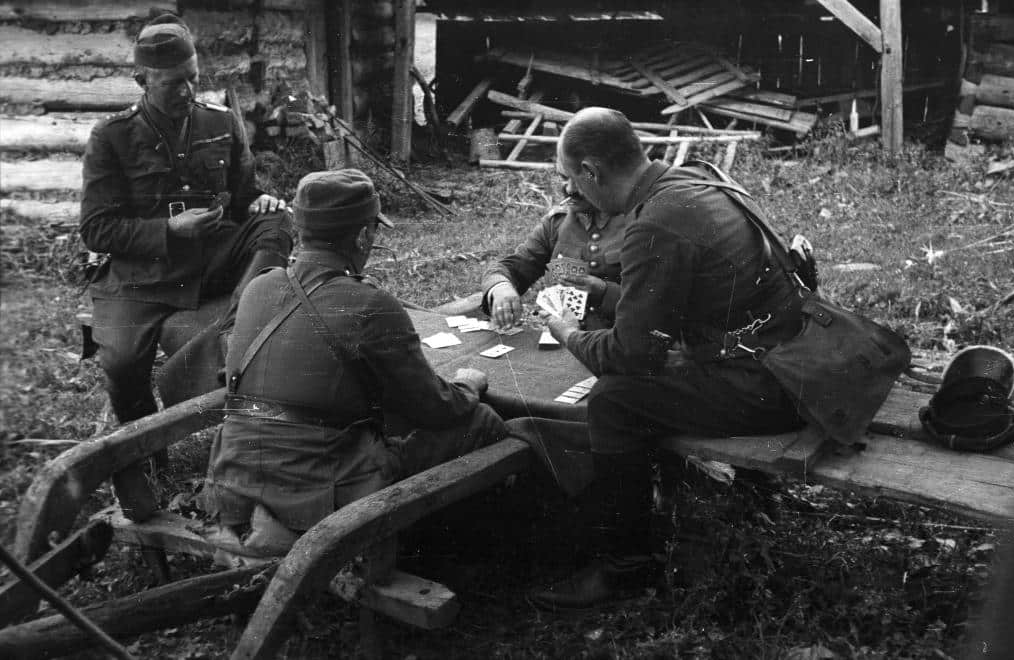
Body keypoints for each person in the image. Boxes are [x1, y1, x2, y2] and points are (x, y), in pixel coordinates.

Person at [533, 107, 805, 610]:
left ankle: (625, 568)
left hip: (772, 384)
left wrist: (566, 330)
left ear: (591, 172)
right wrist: (606, 298)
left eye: (570, 179)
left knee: (614, 401)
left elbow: (630, 356)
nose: (570, 193)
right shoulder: (694, 184)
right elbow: (675, 303)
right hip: (791, 358)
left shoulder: (656, 223)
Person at [202, 169, 508, 551]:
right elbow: (434, 408)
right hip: (317, 489)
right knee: (482, 421)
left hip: (236, 469)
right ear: (364, 236)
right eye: (373, 232)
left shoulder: (258, 287)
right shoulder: (370, 303)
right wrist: (467, 384)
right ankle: (442, 552)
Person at [79, 13, 292, 426]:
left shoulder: (221, 122)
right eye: (172, 82)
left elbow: (245, 195)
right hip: (139, 279)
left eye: (191, 77)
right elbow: (96, 228)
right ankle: (141, 447)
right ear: (142, 80)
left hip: (207, 262)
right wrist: (169, 230)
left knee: (277, 223)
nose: (187, 90)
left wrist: (262, 201)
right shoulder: (111, 137)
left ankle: (236, 328)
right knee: (121, 364)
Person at [481, 193, 627, 331]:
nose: (569, 188)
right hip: (561, 340)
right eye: (565, 178)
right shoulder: (557, 223)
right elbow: (515, 265)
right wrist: (501, 286)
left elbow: (647, 305)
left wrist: (604, 292)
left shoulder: (636, 224)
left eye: (577, 179)